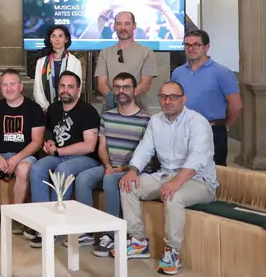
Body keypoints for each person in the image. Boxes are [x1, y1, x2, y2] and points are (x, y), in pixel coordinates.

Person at [117, 81, 217, 275]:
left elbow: (198, 159)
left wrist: (175, 183)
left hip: (199, 182)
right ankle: (138, 242)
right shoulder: (156, 121)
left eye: (173, 97)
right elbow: (145, 148)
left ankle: (173, 252)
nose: (168, 101)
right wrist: (133, 170)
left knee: (174, 196)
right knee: (128, 185)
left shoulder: (198, 122)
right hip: (165, 176)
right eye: (163, 97)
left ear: (183, 99)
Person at [73, 72, 151, 255]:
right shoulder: (107, 116)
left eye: (126, 87)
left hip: (134, 170)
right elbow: (102, 147)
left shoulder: (147, 119)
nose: (121, 91)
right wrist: (108, 166)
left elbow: (147, 153)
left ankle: (112, 235)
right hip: (110, 166)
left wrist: (121, 169)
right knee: (83, 178)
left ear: (135, 90)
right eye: (117, 87)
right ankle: (87, 230)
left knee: (109, 181)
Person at [28, 71, 101, 248]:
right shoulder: (54, 108)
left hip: (85, 159)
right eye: (62, 86)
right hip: (59, 155)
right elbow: (48, 130)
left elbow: (89, 145)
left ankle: (57, 225)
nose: (65, 90)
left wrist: (58, 151)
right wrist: (50, 141)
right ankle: (42, 223)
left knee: (64, 170)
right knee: (37, 169)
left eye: (70, 86)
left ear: (78, 89)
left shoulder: (88, 111)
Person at [0, 68, 45, 233]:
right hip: (0, 154)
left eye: (12, 84)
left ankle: (16, 215)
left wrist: (16, 159)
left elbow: (37, 141)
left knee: (23, 169)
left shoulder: (34, 109)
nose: (8, 88)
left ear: (21, 86)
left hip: (24, 156)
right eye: (4, 85)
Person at [171, 29, 242, 166]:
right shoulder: (177, 73)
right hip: (182, 130)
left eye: (196, 44)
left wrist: (223, 126)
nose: (191, 48)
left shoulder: (222, 73)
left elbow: (236, 106)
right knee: (182, 170)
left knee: (215, 173)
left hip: (212, 130)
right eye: (187, 45)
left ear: (207, 47)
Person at [96, 11, 157, 110]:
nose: (123, 28)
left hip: (138, 114)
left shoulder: (146, 52)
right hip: (110, 113)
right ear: (114, 26)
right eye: (119, 24)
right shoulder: (105, 53)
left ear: (134, 26)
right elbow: (102, 84)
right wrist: (112, 99)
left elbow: (145, 85)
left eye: (127, 24)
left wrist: (124, 98)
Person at [32, 25, 82, 110]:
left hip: (68, 108)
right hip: (45, 110)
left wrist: (64, 107)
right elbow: (37, 89)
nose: (57, 39)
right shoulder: (41, 62)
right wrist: (46, 108)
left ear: (66, 39)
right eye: (53, 36)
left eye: (60, 36)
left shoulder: (75, 62)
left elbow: (77, 89)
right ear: (50, 40)